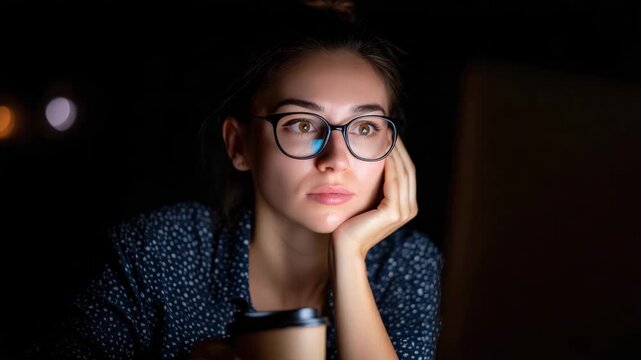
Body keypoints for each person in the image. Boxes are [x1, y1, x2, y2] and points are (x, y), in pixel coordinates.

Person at [27, 1, 443, 359]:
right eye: (301, 124)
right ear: (239, 145)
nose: (336, 159)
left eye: (366, 128)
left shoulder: (406, 265)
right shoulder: (160, 249)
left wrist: (350, 256)